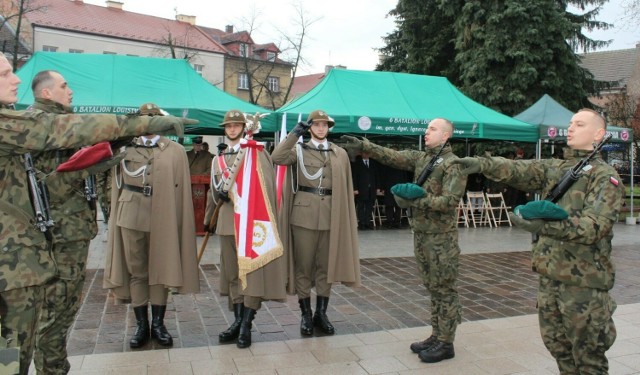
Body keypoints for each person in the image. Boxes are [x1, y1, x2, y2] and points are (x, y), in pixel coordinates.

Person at [0, 55, 188, 375]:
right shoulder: (18, 124)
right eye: (6, 73)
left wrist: (98, 160)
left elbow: (45, 184)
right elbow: (64, 133)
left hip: (29, 258)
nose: (16, 79)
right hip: (24, 257)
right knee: (15, 345)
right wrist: (139, 123)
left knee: (26, 338)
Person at [452, 109, 624, 374]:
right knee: (559, 348)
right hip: (550, 277)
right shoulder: (558, 167)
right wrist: (483, 164)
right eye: (570, 123)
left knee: (589, 357)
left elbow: (595, 227)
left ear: (598, 134)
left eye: (579, 124)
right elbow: (518, 168)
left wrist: (547, 225)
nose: (571, 128)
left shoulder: (604, 176)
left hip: (583, 284)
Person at [342, 118, 467, 363]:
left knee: (445, 289)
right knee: (432, 287)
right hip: (422, 234)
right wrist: (366, 145)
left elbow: (450, 203)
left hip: (441, 238)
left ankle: (447, 342)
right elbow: (392, 156)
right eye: (427, 128)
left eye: (432, 129)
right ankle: (436, 334)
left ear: (445, 136)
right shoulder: (423, 158)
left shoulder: (455, 164)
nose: (426, 132)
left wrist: (416, 199)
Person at [28, 70, 120, 374]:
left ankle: (53, 366)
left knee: (64, 309)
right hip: (58, 236)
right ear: (46, 93)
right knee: (55, 311)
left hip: (71, 233)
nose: (71, 92)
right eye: (64, 86)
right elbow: (48, 182)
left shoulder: (57, 124)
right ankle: (51, 369)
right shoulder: (42, 125)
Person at [103, 103, 200, 349]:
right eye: (144, 118)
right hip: (131, 214)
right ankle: (141, 325)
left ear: (159, 121)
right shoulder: (124, 148)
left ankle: (158, 324)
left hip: (163, 214)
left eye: (152, 118)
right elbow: (111, 183)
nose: (147, 123)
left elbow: (181, 190)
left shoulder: (175, 150)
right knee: (138, 271)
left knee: (160, 269)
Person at [271, 109, 360, 336]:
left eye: (325, 124)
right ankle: (306, 314)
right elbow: (276, 158)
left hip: (331, 215)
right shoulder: (298, 150)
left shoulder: (339, 153)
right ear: (309, 127)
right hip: (303, 217)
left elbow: (346, 186)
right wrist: (293, 134)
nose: (321, 128)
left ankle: (322, 313)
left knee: (325, 266)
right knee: (304, 267)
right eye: (316, 124)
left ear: (329, 127)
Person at [203, 109, 287, 348]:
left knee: (249, 274)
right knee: (232, 274)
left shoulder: (255, 153)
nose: (232, 129)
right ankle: (237, 320)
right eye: (228, 126)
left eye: (236, 125)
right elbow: (213, 192)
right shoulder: (216, 159)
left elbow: (267, 186)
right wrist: (209, 220)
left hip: (250, 222)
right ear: (224, 129)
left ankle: (247, 324)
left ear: (243, 127)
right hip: (227, 223)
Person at [351, 152, 379, 230]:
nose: (366, 155)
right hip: (361, 189)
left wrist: (377, 187)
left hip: (371, 189)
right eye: (364, 153)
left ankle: (367, 222)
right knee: (361, 206)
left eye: (367, 153)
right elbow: (355, 177)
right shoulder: (357, 164)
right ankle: (362, 222)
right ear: (361, 154)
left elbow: (376, 175)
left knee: (369, 206)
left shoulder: (373, 163)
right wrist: (355, 188)